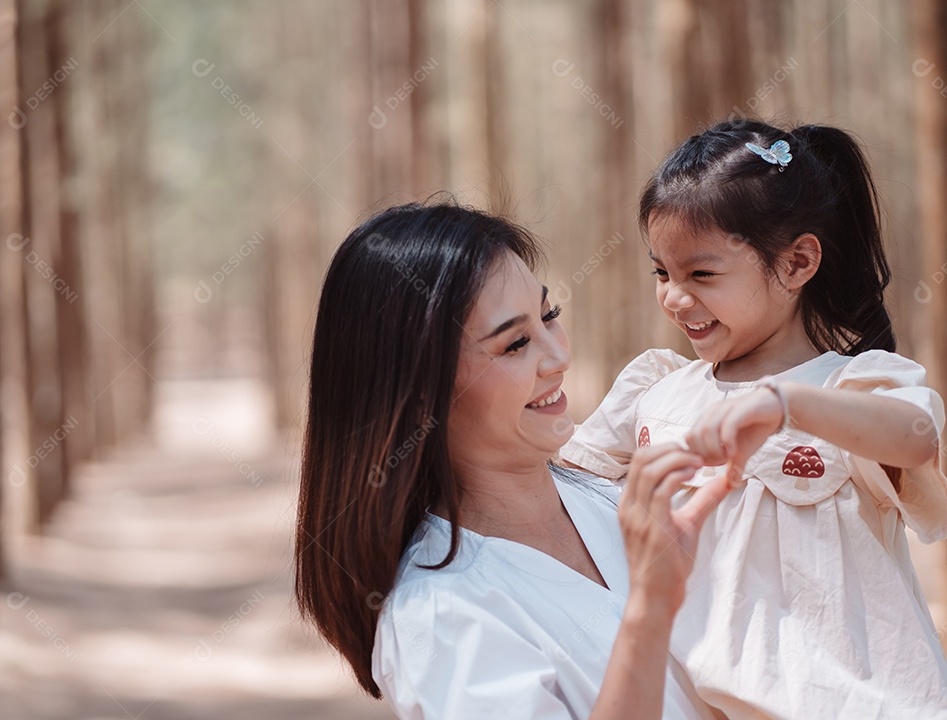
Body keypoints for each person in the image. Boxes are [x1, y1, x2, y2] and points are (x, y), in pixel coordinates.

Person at [561, 120, 947, 719]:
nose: (674, 296)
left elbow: (914, 438)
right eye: (662, 273)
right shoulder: (655, 393)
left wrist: (789, 404)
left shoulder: (852, 387)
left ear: (798, 262)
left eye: (701, 274)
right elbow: (560, 494)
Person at [294, 202, 730, 719]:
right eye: (515, 343)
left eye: (549, 317)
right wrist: (649, 612)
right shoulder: (439, 616)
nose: (559, 357)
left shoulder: (614, 497)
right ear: (418, 395)